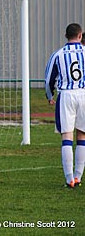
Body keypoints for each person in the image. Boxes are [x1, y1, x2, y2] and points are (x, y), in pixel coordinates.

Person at [45, 23, 85, 188]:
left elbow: (49, 79)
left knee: (66, 137)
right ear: (80, 35)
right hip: (83, 93)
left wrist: (49, 95)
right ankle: (78, 177)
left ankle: (69, 180)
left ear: (65, 36)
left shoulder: (58, 55)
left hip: (66, 95)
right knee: (82, 136)